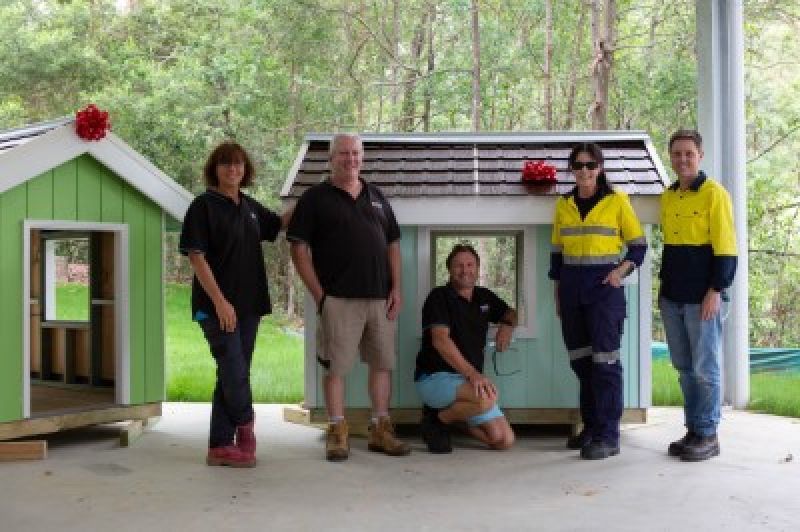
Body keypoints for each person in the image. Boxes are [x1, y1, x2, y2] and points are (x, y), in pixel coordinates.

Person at [287, 133, 410, 462]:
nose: (350, 159)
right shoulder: (315, 198)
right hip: (338, 300)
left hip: (380, 299)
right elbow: (298, 249)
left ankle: (380, 429)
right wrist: (320, 295)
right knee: (337, 369)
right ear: (331, 158)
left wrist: (397, 288)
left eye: (355, 153)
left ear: (362, 157)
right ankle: (337, 431)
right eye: (343, 153)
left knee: (382, 365)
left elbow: (393, 245)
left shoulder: (378, 197)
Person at [179, 141, 291, 468]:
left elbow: (278, 224)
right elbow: (196, 257)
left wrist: (313, 199)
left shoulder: (249, 207)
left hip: (249, 306)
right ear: (215, 169)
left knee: (230, 374)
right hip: (215, 307)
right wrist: (220, 302)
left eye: (239, 164)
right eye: (226, 164)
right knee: (234, 370)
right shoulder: (203, 206)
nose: (233, 169)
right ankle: (245, 426)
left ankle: (219, 445)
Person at [549, 143, 647, 460]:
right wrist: (558, 294)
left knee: (605, 364)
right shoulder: (563, 204)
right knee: (581, 362)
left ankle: (608, 435)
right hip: (572, 292)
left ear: (600, 168)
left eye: (590, 165)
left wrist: (621, 272)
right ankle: (591, 428)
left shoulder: (617, 201)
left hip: (604, 293)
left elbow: (638, 247)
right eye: (578, 165)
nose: (584, 171)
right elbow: (556, 256)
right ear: (572, 170)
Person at [659, 129, 737, 462]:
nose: (682, 159)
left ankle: (708, 433)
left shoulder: (714, 194)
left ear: (700, 155)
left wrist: (715, 291)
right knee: (684, 367)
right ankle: (693, 429)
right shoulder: (669, 196)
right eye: (677, 154)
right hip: (672, 296)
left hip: (703, 297)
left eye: (689, 153)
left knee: (706, 368)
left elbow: (726, 248)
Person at [415, 244, 517, 454]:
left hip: (468, 383)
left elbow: (511, 312)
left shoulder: (484, 297)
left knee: (503, 440)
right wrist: (473, 374)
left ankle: (455, 420)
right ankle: (436, 419)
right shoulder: (438, 297)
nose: (465, 270)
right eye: (458, 265)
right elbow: (440, 341)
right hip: (435, 378)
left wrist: (507, 325)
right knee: (486, 398)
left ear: (478, 268)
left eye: (470, 264)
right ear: (450, 270)